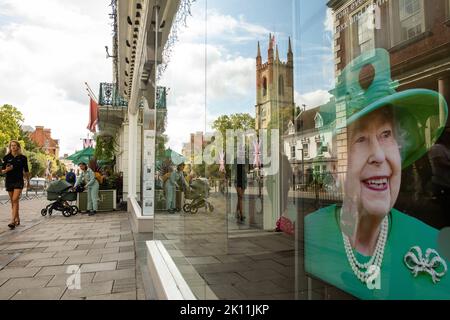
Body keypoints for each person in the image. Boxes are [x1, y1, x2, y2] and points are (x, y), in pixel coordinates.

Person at [305, 48, 449, 299]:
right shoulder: (309, 232)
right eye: (360, 139)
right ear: (332, 165)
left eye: (386, 135)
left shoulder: (433, 244)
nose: (379, 155)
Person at [1, 140, 30, 229]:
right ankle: (17, 218)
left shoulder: (23, 158)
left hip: (18, 181)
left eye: (15, 145)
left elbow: (26, 171)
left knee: (14, 199)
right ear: (10, 147)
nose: (13, 147)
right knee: (13, 202)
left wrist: (28, 181)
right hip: (9, 181)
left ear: (18, 147)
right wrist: (6, 170)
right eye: (11, 145)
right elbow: (2, 171)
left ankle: (12, 221)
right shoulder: (6, 157)